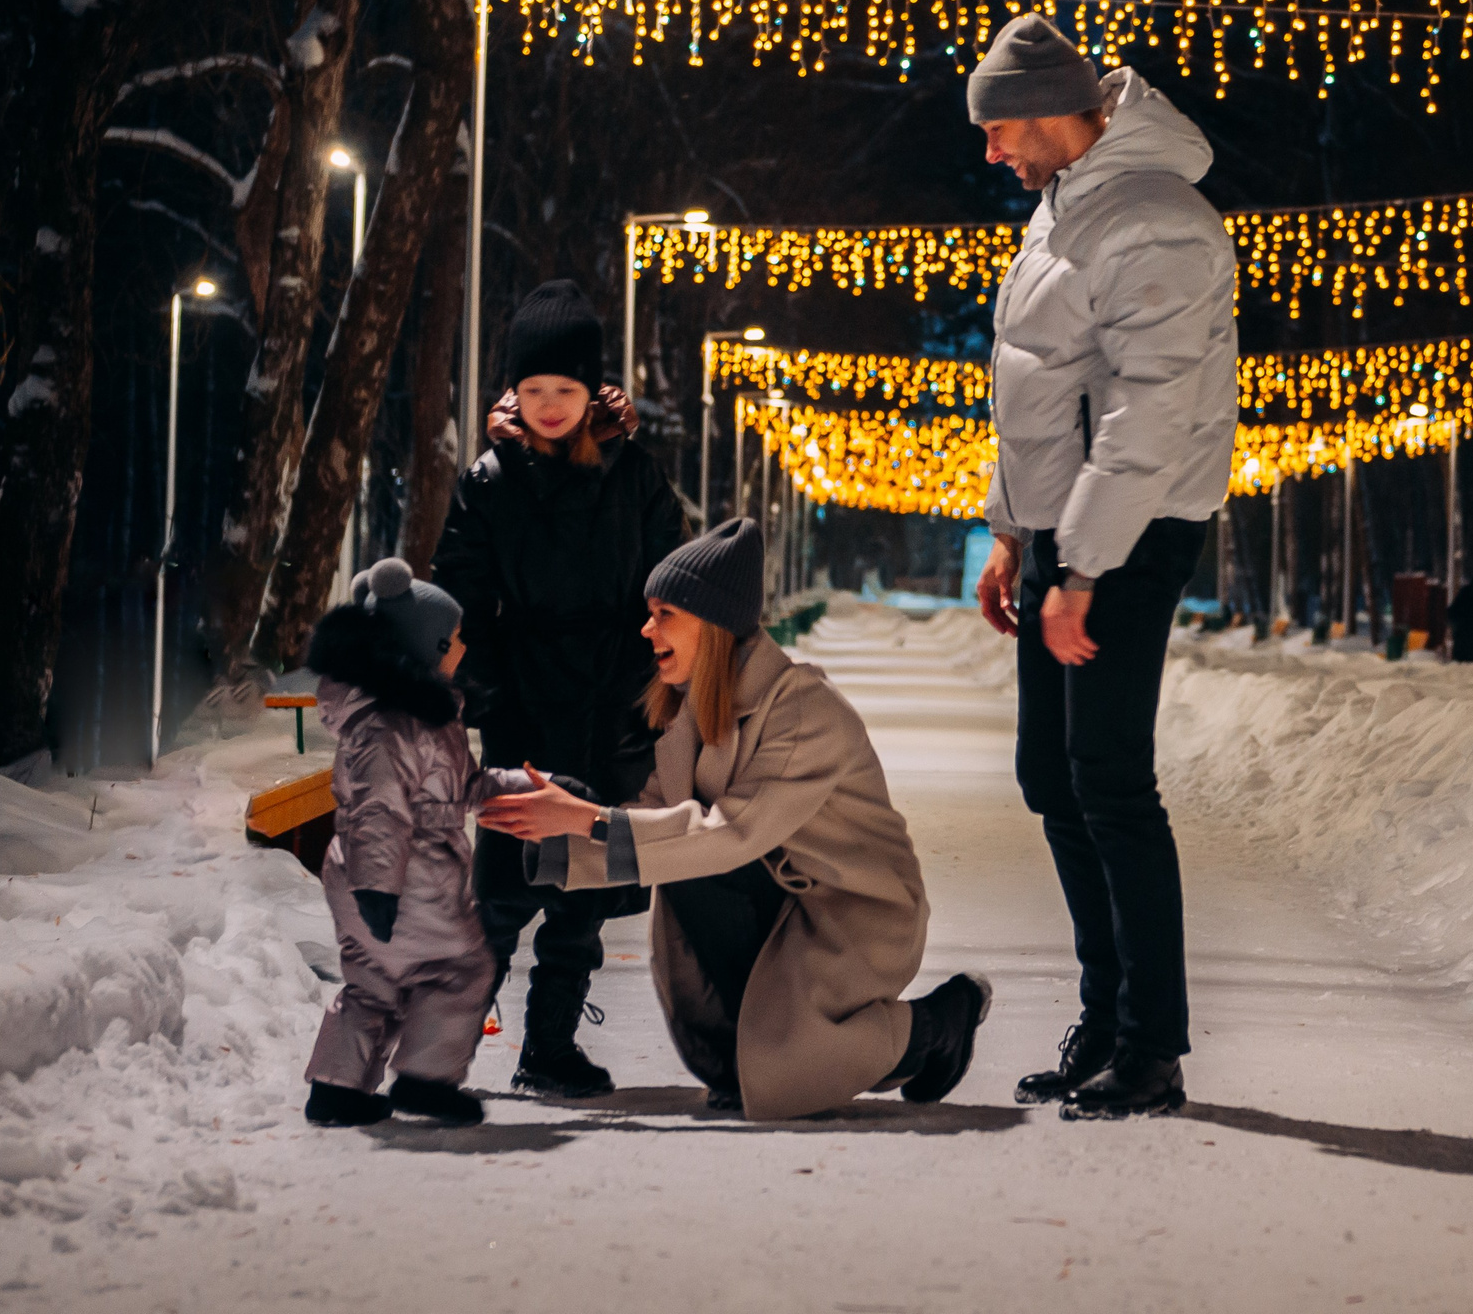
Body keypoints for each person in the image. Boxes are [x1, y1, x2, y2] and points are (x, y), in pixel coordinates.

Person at [479, 519, 989, 1120]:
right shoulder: (683, 711)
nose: (647, 629)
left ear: (712, 624)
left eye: (665, 613)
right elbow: (658, 821)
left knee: (780, 1076)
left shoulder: (800, 707)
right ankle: (826, 1042)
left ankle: (934, 1022)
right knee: (745, 1071)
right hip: (776, 898)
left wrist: (590, 822)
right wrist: (560, 822)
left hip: (851, 912)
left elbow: (729, 834)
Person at [964, 14, 1238, 1120]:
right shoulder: (1067, 207)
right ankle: (1106, 1010)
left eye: (1000, 131)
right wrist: (1011, 530)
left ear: (1056, 110)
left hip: (1130, 529)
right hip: (1065, 534)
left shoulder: (1158, 220)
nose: (993, 155)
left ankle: (1150, 1045)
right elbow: (1037, 387)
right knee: (1050, 772)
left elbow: (1144, 418)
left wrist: (1080, 568)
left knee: (1110, 778)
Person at [431, 278, 683, 1098]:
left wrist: (651, 683)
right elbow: (459, 599)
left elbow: (669, 585)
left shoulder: (636, 475)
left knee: (586, 899)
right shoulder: (491, 481)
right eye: (533, 389)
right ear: (514, 390)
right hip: (525, 711)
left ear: (590, 390)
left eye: (564, 389)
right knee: (499, 897)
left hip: (614, 703)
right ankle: (443, 1052)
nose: (548, 405)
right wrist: (490, 694)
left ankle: (550, 1047)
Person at [301, 559, 533, 1127]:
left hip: (366, 874)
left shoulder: (412, 718)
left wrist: (527, 786)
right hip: (405, 873)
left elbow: (463, 788)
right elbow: (380, 809)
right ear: (426, 648)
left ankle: (337, 1088)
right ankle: (427, 1079)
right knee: (460, 969)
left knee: (372, 983)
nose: (463, 646)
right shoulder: (398, 726)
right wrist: (379, 886)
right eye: (454, 639)